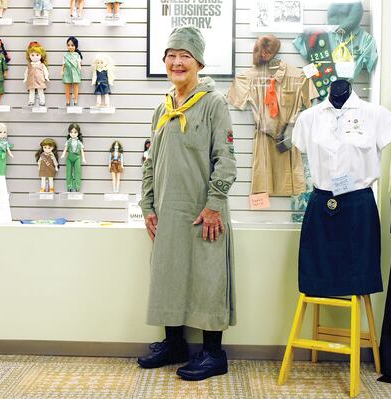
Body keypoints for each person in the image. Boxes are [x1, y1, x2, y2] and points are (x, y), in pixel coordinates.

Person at [138, 26, 237, 382]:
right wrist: (147, 206)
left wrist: (214, 204)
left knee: (208, 278)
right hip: (167, 210)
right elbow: (150, 161)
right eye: (171, 55)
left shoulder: (214, 103)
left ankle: (213, 353)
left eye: (185, 56)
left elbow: (226, 159)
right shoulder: (161, 109)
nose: (177, 62)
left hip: (203, 211)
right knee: (169, 274)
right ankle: (175, 344)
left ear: (198, 63)